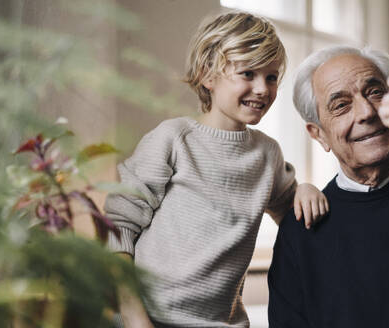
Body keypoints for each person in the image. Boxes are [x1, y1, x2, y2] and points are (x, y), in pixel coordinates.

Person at [105, 12, 329, 328]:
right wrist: (133, 317)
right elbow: (118, 228)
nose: (263, 88)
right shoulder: (172, 139)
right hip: (146, 319)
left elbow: (292, 215)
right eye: (248, 73)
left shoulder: (268, 153)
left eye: (271, 76)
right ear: (207, 76)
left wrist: (304, 189)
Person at [268, 45, 389, 327]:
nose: (366, 112)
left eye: (376, 92)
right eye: (341, 105)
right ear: (319, 134)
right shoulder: (299, 231)